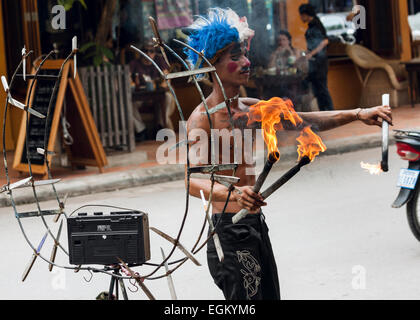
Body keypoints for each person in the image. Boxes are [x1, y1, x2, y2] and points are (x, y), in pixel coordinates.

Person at [185, 8, 392, 300]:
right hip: (228, 232)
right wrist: (234, 194)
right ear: (211, 67)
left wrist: (359, 113)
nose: (246, 62)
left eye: (244, 54)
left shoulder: (249, 108)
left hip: (254, 223)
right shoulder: (202, 119)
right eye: (235, 57)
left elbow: (307, 121)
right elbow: (192, 181)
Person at [129, 39, 176, 141]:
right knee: (128, 102)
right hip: (141, 97)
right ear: (141, 52)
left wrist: (164, 84)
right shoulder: (135, 64)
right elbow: (128, 78)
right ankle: (141, 130)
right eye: (145, 51)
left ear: (155, 53)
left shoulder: (159, 61)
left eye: (151, 51)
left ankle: (160, 126)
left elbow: (167, 76)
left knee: (167, 98)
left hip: (158, 95)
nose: (148, 53)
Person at [299, 3, 334, 111]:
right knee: (316, 89)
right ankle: (323, 113)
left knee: (322, 89)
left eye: (301, 15)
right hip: (314, 62)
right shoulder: (311, 25)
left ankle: (330, 112)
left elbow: (325, 41)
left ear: (305, 14)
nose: (300, 18)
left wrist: (311, 54)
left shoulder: (316, 24)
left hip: (319, 62)